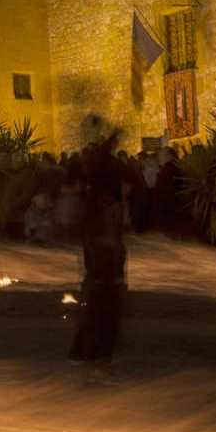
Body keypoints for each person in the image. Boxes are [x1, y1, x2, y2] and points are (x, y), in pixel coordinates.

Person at [68, 125, 127, 369]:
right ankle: (88, 353)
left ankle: (96, 353)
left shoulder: (101, 206)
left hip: (106, 272)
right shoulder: (97, 207)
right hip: (102, 272)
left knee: (103, 313)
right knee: (97, 312)